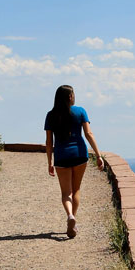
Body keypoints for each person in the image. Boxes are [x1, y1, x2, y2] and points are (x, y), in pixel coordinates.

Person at [44, 85, 104, 237]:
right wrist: (98, 155)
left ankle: (70, 215)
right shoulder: (80, 111)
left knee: (66, 192)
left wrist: (49, 162)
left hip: (61, 155)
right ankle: (73, 220)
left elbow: (49, 142)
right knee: (76, 189)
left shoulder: (51, 115)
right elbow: (89, 133)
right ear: (70, 97)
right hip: (79, 154)